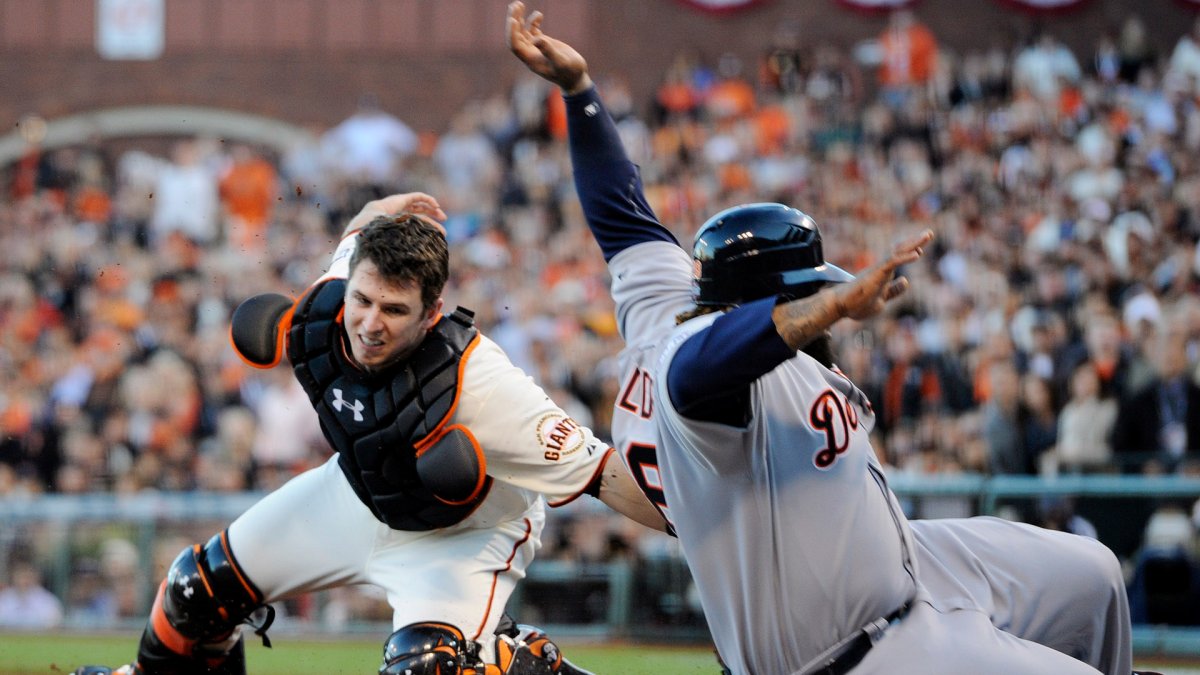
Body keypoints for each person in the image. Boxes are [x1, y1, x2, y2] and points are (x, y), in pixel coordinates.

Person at [507, 4, 1136, 673]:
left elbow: (621, 215)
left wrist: (580, 95)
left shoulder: (669, 302)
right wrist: (828, 303)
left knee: (1095, 573)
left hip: (895, 558)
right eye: (809, 286)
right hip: (838, 646)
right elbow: (703, 369)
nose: (824, 296)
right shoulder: (694, 365)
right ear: (771, 299)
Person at [75, 191, 667, 675]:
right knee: (195, 590)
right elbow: (358, 233)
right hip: (356, 495)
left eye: (394, 310)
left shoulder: (482, 384)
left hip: (462, 534)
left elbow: (606, 474)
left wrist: (706, 525)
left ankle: (516, 665)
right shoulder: (328, 304)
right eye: (362, 299)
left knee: (426, 666)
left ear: (432, 312)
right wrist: (380, 208)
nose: (369, 323)